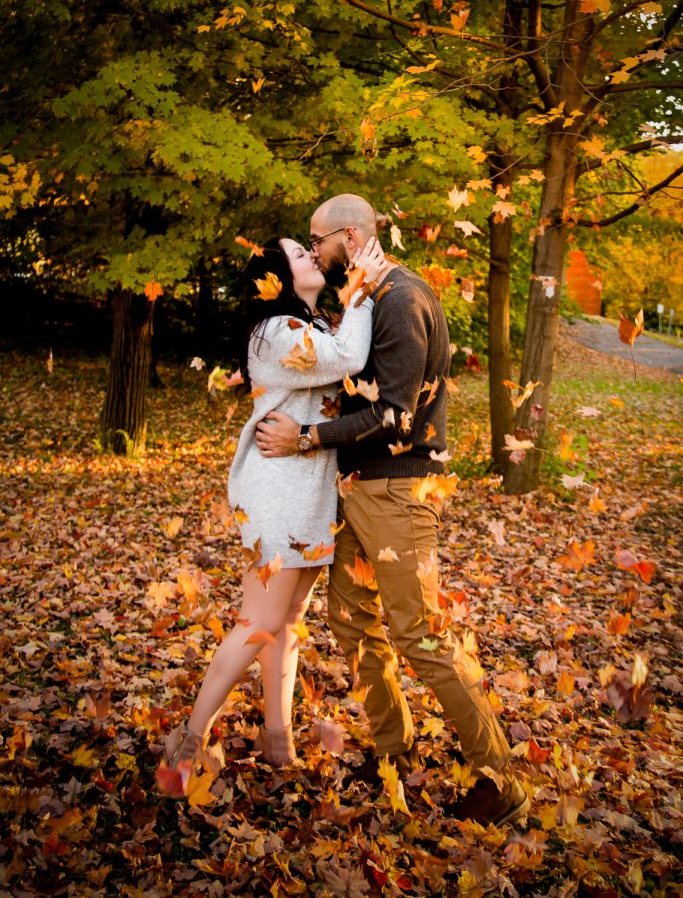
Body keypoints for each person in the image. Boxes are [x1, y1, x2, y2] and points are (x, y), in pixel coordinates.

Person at [254, 194, 530, 827]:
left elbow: (395, 416)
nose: (314, 250)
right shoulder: (366, 297)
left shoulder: (402, 300)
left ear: (349, 238)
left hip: (398, 494)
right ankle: (393, 753)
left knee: (420, 633)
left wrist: (307, 438)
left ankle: (500, 776)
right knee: (352, 622)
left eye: (318, 240)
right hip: (359, 488)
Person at [164, 234, 387, 772]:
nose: (311, 255)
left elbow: (344, 356)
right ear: (276, 277)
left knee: (286, 621)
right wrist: (362, 285)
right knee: (260, 621)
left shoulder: (314, 326)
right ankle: (189, 738)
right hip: (278, 492)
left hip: (308, 493)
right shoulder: (275, 332)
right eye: (298, 253)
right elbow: (349, 356)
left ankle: (277, 738)